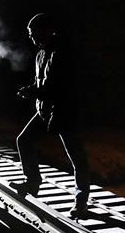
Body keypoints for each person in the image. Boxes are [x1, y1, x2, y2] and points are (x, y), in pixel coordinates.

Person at [12, 13, 90, 218]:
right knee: (24, 140)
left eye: (32, 32)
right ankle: (32, 183)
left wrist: (34, 92)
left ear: (45, 30)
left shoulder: (63, 52)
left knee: (76, 156)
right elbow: (42, 83)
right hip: (45, 110)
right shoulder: (40, 55)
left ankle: (81, 201)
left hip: (64, 111)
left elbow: (61, 87)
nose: (30, 36)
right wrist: (31, 90)